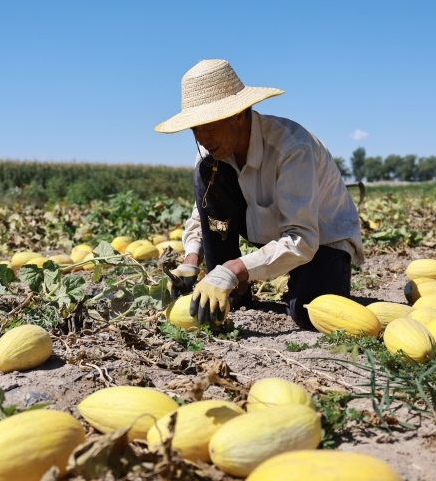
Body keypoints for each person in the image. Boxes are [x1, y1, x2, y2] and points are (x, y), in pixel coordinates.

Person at [155, 59, 364, 331]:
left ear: (238, 115)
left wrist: (234, 268)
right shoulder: (212, 153)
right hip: (270, 235)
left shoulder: (292, 147)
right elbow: (204, 214)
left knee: (308, 311)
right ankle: (233, 289)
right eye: (194, 128)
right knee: (207, 172)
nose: (202, 137)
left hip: (323, 240)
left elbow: (302, 239)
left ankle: (234, 274)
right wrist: (191, 260)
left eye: (208, 125)